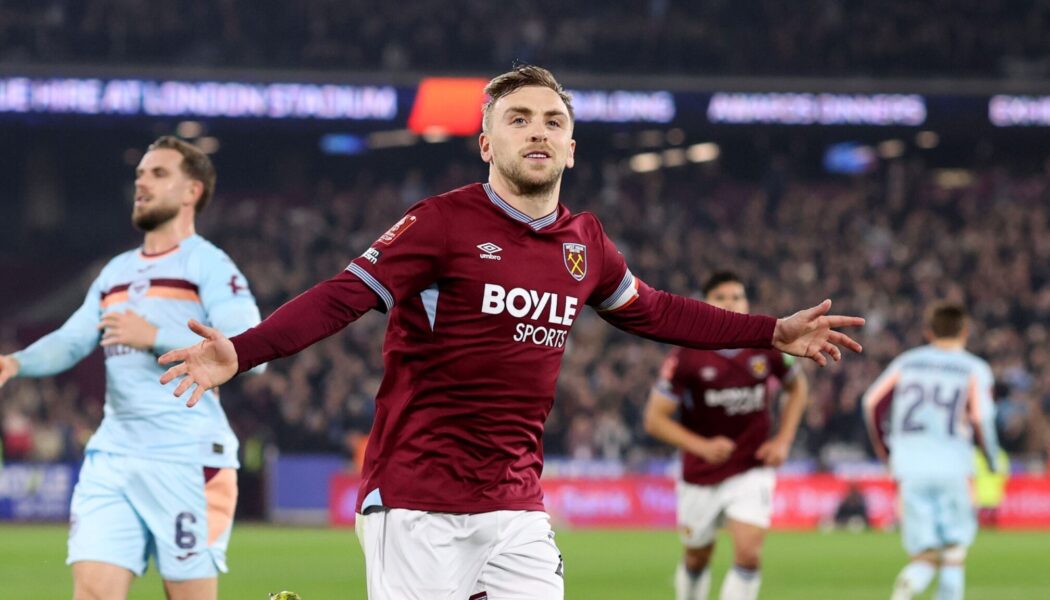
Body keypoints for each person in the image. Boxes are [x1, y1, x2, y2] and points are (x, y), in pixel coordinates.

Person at [159, 65, 864, 600]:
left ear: (572, 149)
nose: (538, 131)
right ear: (486, 143)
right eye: (519, 119)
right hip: (419, 499)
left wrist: (770, 331)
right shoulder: (440, 223)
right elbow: (343, 296)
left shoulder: (586, 242)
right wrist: (242, 352)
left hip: (516, 503)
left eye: (553, 121)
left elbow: (658, 311)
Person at [0, 136, 263, 600]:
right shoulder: (115, 271)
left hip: (186, 458)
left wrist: (154, 335)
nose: (142, 182)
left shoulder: (209, 264)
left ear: (192, 191)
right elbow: (72, 340)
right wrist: (15, 362)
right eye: (140, 173)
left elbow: (249, 347)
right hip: (114, 455)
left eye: (158, 173)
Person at [643, 271, 809, 600]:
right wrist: (701, 446)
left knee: (748, 553)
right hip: (701, 472)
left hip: (751, 464)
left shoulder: (767, 346)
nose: (731, 303)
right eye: (721, 297)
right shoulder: (686, 355)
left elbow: (798, 388)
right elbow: (654, 419)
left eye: (737, 296)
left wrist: (783, 440)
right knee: (697, 556)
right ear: (705, 304)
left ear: (747, 302)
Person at [863, 302, 999, 600]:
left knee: (924, 557)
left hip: (910, 470)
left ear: (928, 332)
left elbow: (871, 403)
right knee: (953, 554)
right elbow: (981, 419)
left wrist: (887, 454)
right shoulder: (974, 368)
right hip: (954, 468)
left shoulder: (907, 363)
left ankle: (905, 590)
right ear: (965, 331)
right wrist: (991, 459)